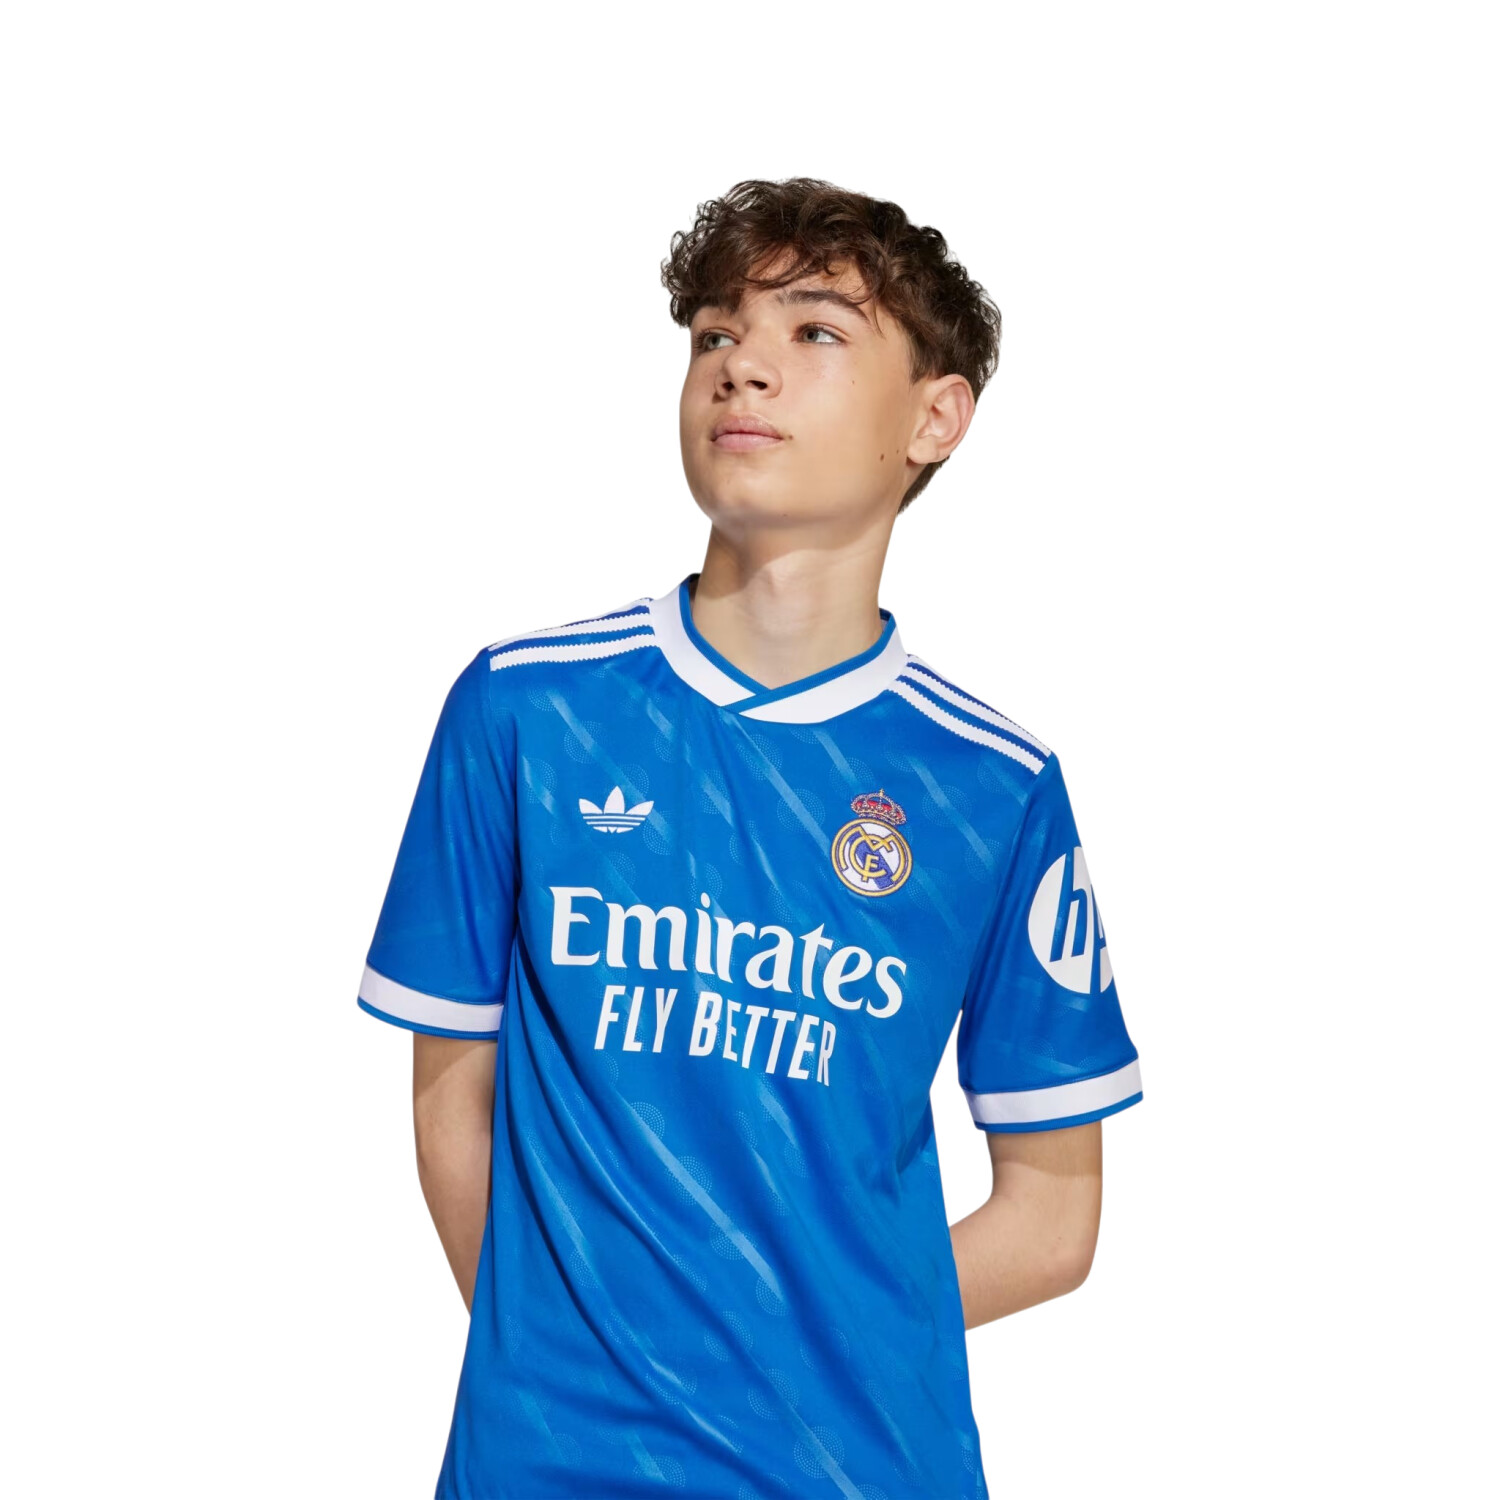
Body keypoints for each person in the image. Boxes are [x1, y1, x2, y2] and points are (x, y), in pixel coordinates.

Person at [357, 177, 1143, 1500]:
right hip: (547, 1468)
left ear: (936, 417)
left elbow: (1054, 1218)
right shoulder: (526, 710)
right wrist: (584, 1349)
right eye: (716, 334)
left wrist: (796, 1346)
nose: (742, 367)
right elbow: (451, 1100)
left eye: (814, 332)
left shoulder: (992, 787)